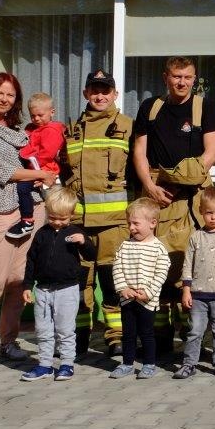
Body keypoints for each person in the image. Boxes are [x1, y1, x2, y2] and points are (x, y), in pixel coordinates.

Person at [131, 56, 215, 357]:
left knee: (190, 269)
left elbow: (211, 154)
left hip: (192, 200)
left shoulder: (206, 108)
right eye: (176, 76)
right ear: (165, 77)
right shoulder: (150, 107)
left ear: (195, 79)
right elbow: (140, 151)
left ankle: (192, 342)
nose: (182, 82)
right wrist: (150, 187)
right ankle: (158, 340)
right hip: (156, 197)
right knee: (156, 268)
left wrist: (182, 180)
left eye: (187, 77)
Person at [0, 72, 57, 364]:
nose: (5, 99)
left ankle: (8, 341)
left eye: (11, 95)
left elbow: (40, 156)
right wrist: (40, 173)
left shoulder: (20, 130)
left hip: (32, 207)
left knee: (18, 280)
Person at [60, 69, 133, 358]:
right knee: (80, 285)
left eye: (105, 91)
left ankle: (116, 337)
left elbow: (139, 172)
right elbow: (63, 173)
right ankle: (78, 338)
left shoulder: (127, 126)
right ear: (86, 94)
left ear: (115, 94)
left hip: (114, 225)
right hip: (78, 222)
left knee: (113, 284)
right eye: (95, 90)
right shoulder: (71, 129)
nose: (100, 96)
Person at [19, 186, 94, 382]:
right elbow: (31, 260)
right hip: (43, 290)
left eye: (62, 218)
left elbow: (91, 255)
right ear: (47, 212)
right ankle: (45, 365)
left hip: (67, 290)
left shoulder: (75, 232)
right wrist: (27, 286)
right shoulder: (41, 234)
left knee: (65, 330)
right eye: (52, 217)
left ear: (72, 214)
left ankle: (67, 364)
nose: (57, 222)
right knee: (43, 330)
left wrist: (84, 242)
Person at [174, 186, 215, 379]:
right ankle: (189, 364)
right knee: (195, 331)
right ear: (201, 211)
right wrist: (186, 290)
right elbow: (187, 264)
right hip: (198, 295)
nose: (213, 217)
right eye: (209, 212)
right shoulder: (196, 237)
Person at [110, 198, 171, 379]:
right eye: (129, 223)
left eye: (136, 223)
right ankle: (127, 363)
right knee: (128, 334)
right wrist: (123, 288)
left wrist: (149, 292)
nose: (131, 228)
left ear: (153, 223)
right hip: (127, 299)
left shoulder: (158, 248)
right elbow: (117, 267)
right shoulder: (125, 245)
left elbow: (161, 272)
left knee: (147, 334)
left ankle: (149, 364)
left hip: (147, 301)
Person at [8, 93, 66, 241]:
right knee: (24, 189)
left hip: (47, 170)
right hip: (35, 170)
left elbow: (48, 153)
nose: (36, 119)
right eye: (33, 116)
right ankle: (28, 220)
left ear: (52, 112)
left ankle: (59, 228)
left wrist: (32, 164)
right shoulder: (31, 128)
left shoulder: (52, 130)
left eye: (40, 115)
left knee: (54, 203)